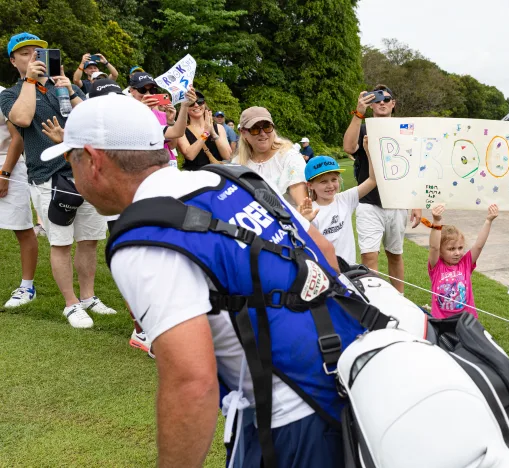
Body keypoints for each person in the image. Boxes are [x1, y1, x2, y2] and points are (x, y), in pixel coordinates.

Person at [45, 93, 351, 468]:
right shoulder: (233, 177)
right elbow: (324, 252)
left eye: (69, 160)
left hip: (292, 424)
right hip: (355, 381)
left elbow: (192, 383)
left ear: (92, 160)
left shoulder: (143, 236)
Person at [1, 32, 116, 328]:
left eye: (38, 53)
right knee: (61, 243)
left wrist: (73, 90)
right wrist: (29, 81)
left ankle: (89, 297)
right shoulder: (10, 94)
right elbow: (23, 120)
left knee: (89, 240)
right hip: (47, 175)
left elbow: (94, 120)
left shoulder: (61, 86)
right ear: (13, 61)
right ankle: (71, 303)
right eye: (25, 54)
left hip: (82, 171)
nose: (33, 58)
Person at [342, 84, 421, 293]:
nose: (382, 102)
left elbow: (415, 167)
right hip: (369, 201)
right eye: (376, 99)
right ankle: (375, 301)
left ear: (393, 104)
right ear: (371, 104)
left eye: (386, 99)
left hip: (397, 201)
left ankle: (400, 298)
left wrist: (417, 203)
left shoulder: (406, 129)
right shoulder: (363, 127)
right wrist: (359, 112)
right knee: (369, 255)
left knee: (395, 254)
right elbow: (349, 148)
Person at [0, 86, 38, 308]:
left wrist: (5, 174)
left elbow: (17, 139)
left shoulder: (5, 95)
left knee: (22, 228)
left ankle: (27, 286)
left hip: (8, 165)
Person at [300, 153, 376, 264]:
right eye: (323, 181)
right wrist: (304, 221)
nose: (330, 185)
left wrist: (368, 152)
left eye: (334, 179)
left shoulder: (345, 199)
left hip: (350, 271)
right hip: (326, 272)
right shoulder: (310, 211)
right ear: (310, 185)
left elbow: (373, 180)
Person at [427, 203, 498, 319]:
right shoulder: (436, 266)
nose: (457, 253)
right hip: (441, 320)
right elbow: (434, 247)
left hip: (465, 320)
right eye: (451, 249)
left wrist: (488, 221)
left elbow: (479, 246)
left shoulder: (465, 263)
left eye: (460, 248)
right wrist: (436, 220)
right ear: (440, 251)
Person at [233, 106, 306, 207]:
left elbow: (302, 205)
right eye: (255, 129)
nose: (262, 133)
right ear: (243, 132)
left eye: (267, 127)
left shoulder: (289, 157)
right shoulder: (237, 164)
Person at [176, 90, 231, 170]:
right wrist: (206, 133)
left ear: (204, 104)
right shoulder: (181, 130)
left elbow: (227, 156)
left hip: (217, 174)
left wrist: (214, 134)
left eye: (200, 102)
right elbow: (190, 155)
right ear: (185, 107)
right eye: (191, 103)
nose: (196, 105)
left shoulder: (218, 127)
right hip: (195, 175)